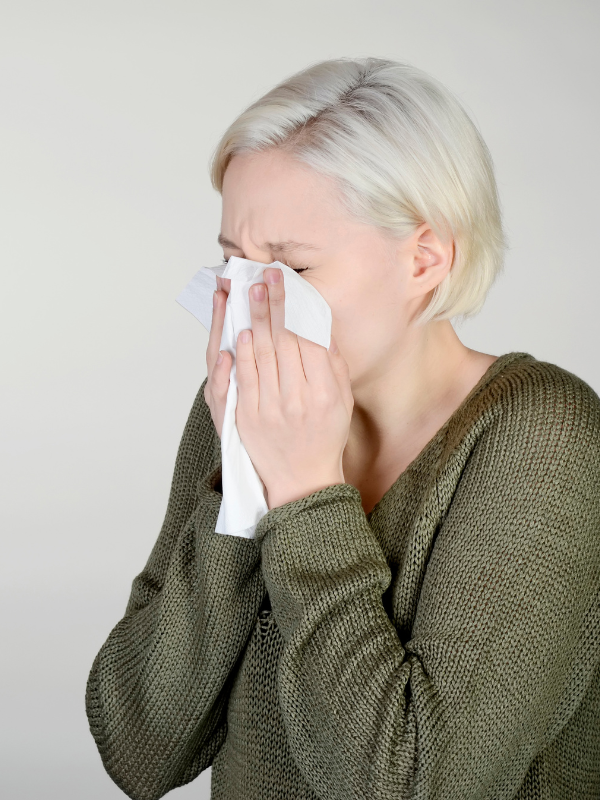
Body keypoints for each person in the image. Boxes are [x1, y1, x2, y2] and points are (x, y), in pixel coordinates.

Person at [85, 57, 600, 800]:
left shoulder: (545, 437)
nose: (247, 307)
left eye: (292, 270)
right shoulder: (241, 406)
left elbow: (415, 784)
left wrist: (302, 494)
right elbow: (139, 750)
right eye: (233, 262)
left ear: (425, 259)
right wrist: (243, 485)